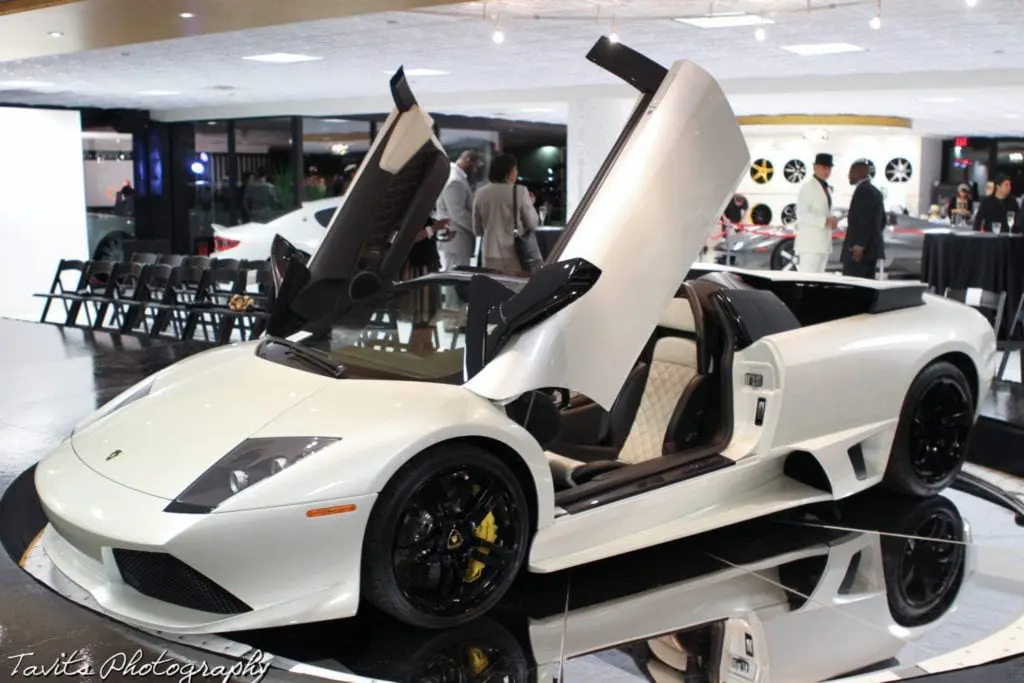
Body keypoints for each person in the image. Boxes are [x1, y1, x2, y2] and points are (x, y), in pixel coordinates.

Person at [473, 153, 541, 274]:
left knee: (493, 290)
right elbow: (532, 223)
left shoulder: (480, 193)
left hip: (489, 254)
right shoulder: (519, 191)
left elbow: (477, 230)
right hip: (514, 253)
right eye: (515, 169)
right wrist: (530, 203)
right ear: (510, 172)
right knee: (514, 289)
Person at [435, 151, 481, 274]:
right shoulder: (455, 180)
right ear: (467, 160)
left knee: (454, 279)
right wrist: (477, 229)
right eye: (474, 165)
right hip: (457, 238)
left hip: (453, 238)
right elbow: (458, 213)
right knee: (456, 279)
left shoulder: (453, 176)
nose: (475, 169)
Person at [841, 160, 886, 279]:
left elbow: (865, 220)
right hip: (870, 251)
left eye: (851, 172)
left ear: (861, 172)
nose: (849, 176)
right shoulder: (875, 192)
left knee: (853, 286)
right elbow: (882, 221)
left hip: (860, 253)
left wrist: (859, 245)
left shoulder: (864, 191)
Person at [794, 153, 836, 273]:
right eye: (824, 167)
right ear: (814, 167)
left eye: (829, 168)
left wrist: (833, 219)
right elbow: (802, 214)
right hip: (810, 245)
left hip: (823, 244)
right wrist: (825, 221)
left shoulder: (827, 188)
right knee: (807, 281)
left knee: (819, 283)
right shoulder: (807, 188)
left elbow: (825, 211)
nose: (827, 171)